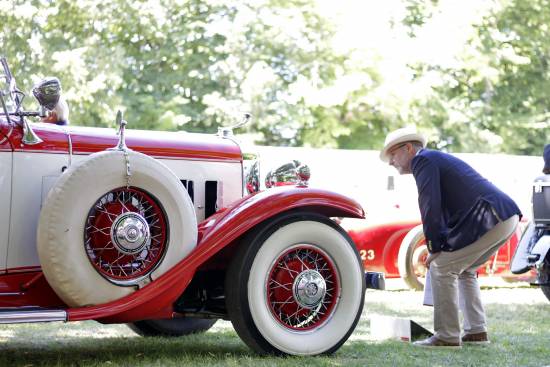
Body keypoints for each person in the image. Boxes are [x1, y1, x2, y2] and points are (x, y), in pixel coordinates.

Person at [380, 127, 522, 348]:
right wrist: (440, 244)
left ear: (408, 148)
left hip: (491, 216)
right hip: (504, 216)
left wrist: (434, 246)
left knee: (442, 267)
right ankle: (476, 332)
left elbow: (430, 205)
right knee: (464, 270)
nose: (390, 162)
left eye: (392, 154)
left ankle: (447, 336)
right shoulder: (432, 159)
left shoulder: (422, 161)